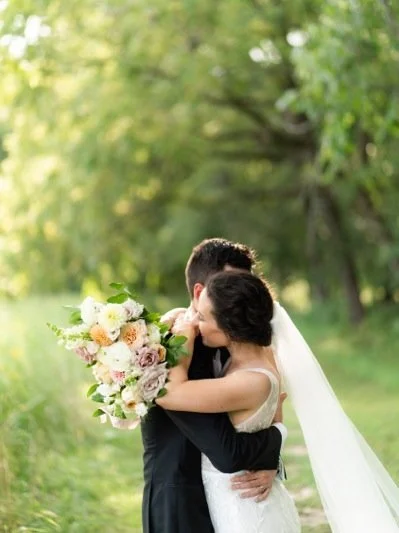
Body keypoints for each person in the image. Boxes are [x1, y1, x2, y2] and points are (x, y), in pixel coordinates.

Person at [159, 269, 399, 533]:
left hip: (247, 513)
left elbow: (170, 393)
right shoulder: (255, 357)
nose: (194, 321)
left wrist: (182, 340)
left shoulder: (251, 380)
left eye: (202, 317)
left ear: (230, 326)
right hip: (236, 502)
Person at [140, 238, 288, 533]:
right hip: (181, 502)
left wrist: (272, 460)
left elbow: (274, 404)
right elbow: (227, 452)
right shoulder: (165, 344)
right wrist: (274, 442)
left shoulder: (247, 346)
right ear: (201, 291)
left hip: (237, 501)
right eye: (229, 283)